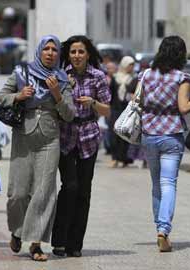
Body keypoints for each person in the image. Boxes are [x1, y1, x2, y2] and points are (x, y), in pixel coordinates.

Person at [0, 35, 75, 262]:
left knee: (44, 192)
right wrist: (18, 96)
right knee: (18, 193)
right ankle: (17, 231)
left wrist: (58, 95)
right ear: (39, 51)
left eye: (55, 50)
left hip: (50, 140)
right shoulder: (22, 72)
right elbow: (0, 97)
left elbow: (69, 114)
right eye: (46, 49)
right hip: (23, 136)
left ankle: (36, 243)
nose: (50, 53)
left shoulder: (62, 79)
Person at [51, 35, 111, 257]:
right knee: (70, 187)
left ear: (88, 54)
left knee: (84, 192)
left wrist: (93, 103)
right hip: (65, 136)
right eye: (73, 52)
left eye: (81, 52)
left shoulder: (98, 77)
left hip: (88, 136)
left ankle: (75, 244)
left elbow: (107, 110)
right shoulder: (60, 75)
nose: (76, 56)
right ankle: (59, 239)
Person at [140, 36, 190, 252]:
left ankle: (160, 229)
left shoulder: (146, 74)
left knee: (156, 185)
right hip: (171, 135)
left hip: (149, 134)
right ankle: (163, 229)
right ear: (180, 55)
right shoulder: (181, 78)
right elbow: (183, 107)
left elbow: (140, 101)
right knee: (169, 183)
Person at [109, 56, 136, 168]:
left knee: (125, 134)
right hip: (115, 109)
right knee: (114, 134)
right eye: (130, 64)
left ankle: (123, 157)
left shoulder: (133, 79)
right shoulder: (115, 78)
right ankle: (115, 157)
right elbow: (110, 93)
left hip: (127, 110)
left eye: (132, 65)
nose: (131, 67)